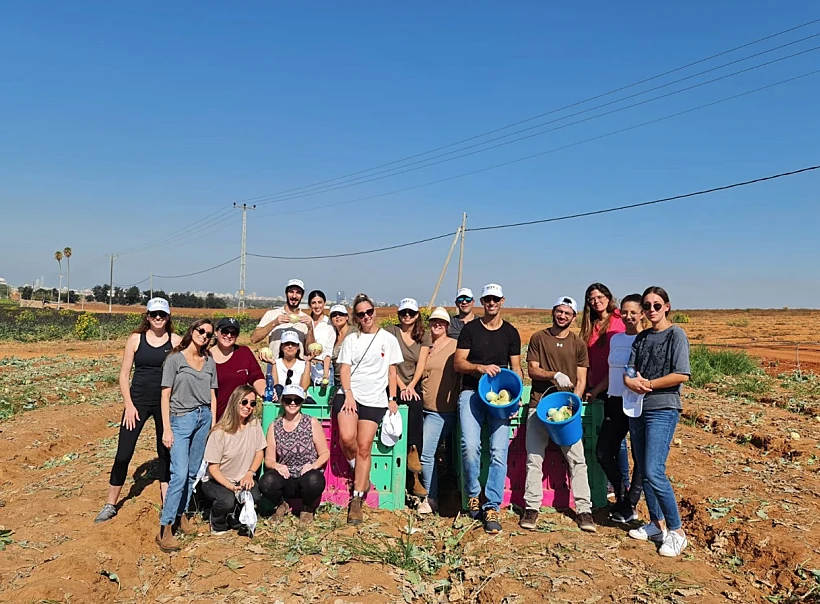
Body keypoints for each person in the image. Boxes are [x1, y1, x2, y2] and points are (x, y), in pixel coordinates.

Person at [95, 298, 181, 523]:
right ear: (147, 316)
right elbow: (124, 375)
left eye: (162, 315)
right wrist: (129, 405)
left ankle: (167, 504)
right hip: (138, 403)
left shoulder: (176, 341)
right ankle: (110, 503)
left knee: (165, 453)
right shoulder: (135, 339)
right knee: (124, 453)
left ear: (168, 317)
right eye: (154, 315)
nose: (158, 318)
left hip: (164, 404)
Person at [520, 296, 596, 533]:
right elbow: (532, 370)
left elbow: (581, 378)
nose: (562, 316)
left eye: (567, 313)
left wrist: (574, 403)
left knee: (577, 459)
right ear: (553, 312)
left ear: (574, 317)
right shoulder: (539, 338)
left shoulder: (579, 345)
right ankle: (532, 508)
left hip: (566, 411)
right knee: (534, 458)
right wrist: (554, 375)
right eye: (559, 311)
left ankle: (584, 510)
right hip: (539, 406)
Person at [625, 286, 691, 557]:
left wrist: (648, 384)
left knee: (654, 470)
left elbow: (681, 374)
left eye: (656, 305)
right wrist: (630, 381)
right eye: (647, 306)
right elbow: (629, 369)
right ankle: (656, 523)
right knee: (642, 467)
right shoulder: (641, 338)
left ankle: (676, 532)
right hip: (638, 408)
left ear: (667, 306)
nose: (651, 310)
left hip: (663, 408)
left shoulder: (676, 334)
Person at [454, 283, 522, 534]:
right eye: (487, 299)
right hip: (472, 393)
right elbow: (459, 363)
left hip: (500, 399)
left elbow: (516, 368)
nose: (491, 303)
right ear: (482, 301)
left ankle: (492, 505)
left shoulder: (511, 333)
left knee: (498, 450)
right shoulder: (470, 330)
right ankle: (473, 494)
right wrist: (479, 368)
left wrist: (515, 397)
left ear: (502, 301)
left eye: (495, 299)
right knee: (470, 446)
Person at [335, 293, 402, 525]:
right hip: (349, 396)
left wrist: (392, 397)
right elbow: (345, 369)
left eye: (369, 312)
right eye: (361, 314)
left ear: (375, 312)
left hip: (375, 399)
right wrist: (349, 394)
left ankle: (357, 498)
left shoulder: (388, 339)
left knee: (364, 447)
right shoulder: (351, 340)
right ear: (356, 317)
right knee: (346, 437)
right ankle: (360, 472)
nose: (366, 317)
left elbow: (392, 371)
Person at [156, 319, 218, 552]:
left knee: (192, 473)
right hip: (181, 419)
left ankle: (181, 515)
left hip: (203, 419)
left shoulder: (209, 362)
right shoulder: (174, 360)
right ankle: (165, 527)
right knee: (179, 474)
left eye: (208, 334)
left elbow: (212, 395)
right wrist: (167, 429)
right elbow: (165, 396)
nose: (204, 335)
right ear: (192, 331)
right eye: (201, 331)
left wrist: (212, 422)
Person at [580, 283, 629, 500]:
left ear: (609, 298)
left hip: (615, 387)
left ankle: (622, 484)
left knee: (616, 438)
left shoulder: (619, 319)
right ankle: (607, 482)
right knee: (601, 434)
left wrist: (598, 387)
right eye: (591, 298)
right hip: (595, 385)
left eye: (600, 297)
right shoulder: (590, 325)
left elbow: (619, 361)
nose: (596, 301)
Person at [598, 294, 644, 523]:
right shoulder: (616, 339)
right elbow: (613, 372)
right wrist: (597, 390)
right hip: (614, 401)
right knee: (603, 451)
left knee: (639, 456)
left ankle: (630, 504)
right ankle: (621, 493)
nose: (628, 316)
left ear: (642, 314)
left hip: (636, 404)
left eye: (633, 312)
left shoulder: (645, 340)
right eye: (624, 312)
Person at [200, 385, 266, 535]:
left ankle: (235, 516)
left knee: (255, 495)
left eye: (252, 403)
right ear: (235, 402)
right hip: (217, 480)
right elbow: (213, 468)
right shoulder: (219, 432)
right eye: (244, 402)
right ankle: (217, 521)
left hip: (243, 478)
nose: (248, 407)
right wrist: (230, 486)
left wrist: (250, 473)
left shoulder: (254, 424)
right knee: (226, 500)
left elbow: (259, 452)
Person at [259, 385, 330, 524]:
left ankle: (307, 507)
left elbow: (324, 453)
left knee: (314, 480)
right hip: (286, 476)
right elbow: (268, 459)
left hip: (306, 474)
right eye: (288, 399)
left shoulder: (311, 423)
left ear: (302, 402)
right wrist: (276, 465)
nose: (292, 403)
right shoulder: (274, 426)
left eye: (296, 400)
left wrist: (313, 465)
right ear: (282, 401)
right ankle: (281, 504)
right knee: (266, 482)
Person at [383, 298, 431, 497]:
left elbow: (421, 364)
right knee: (393, 415)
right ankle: (392, 469)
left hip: (412, 384)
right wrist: (402, 387)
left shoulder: (424, 336)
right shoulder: (391, 333)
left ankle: (413, 457)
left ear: (417, 315)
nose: (407, 316)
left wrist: (411, 386)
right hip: (392, 382)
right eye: (404, 313)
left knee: (416, 405)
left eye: (411, 313)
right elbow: (388, 363)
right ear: (399, 314)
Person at [417, 307, 460, 515]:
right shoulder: (425, 345)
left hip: (441, 411)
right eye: (434, 321)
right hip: (421, 408)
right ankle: (420, 490)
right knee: (417, 452)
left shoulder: (454, 347)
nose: (437, 325)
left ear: (447, 326)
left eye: (441, 322)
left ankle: (431, 498)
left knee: (427, 453)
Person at [211, 317, 265, 421]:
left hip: (239, 418)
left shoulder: (244, 353)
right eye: (225, 332)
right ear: (216, 332)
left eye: (233, 333)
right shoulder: (207, 357)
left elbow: (256, 377)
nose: (229, 336)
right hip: (214, 417)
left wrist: (266, 393)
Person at [252, 279, 311, 363]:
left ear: (302, 296)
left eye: (298, 292)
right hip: (274, 366)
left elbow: (310, 350)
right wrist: (274, 323)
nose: (294, 296)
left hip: (298, 369)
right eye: (291, 292)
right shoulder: (272, 314)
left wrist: (310, 328)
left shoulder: (306, 319)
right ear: (286, 293)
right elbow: (254, 339)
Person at [304, 290, 336, 386]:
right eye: (314, 303)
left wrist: (325, 375)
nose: (317, 306)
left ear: (324, 303)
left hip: (322, 368)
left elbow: (328, 351)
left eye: (320, 302)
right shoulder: (305, 322)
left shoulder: (329, 324)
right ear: (310, 305)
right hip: (306, 367)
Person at [272, 330, 311, 400]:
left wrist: (308, 362)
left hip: (300, 398)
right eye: (287, 344)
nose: (290, 346)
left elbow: (304, 387)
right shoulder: (275, 363)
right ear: (281, 347)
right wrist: (273, 364)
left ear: (298, 347)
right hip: (281, 398)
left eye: (293, 344)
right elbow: (274, 386)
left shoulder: (303, 364)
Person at [328, 304, 351, 391]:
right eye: (334, 315)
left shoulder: (354, 332)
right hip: (336, 380)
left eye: (341, 314)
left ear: (347, 317)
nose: (337, 317)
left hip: (351, 380)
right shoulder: (333, 336)